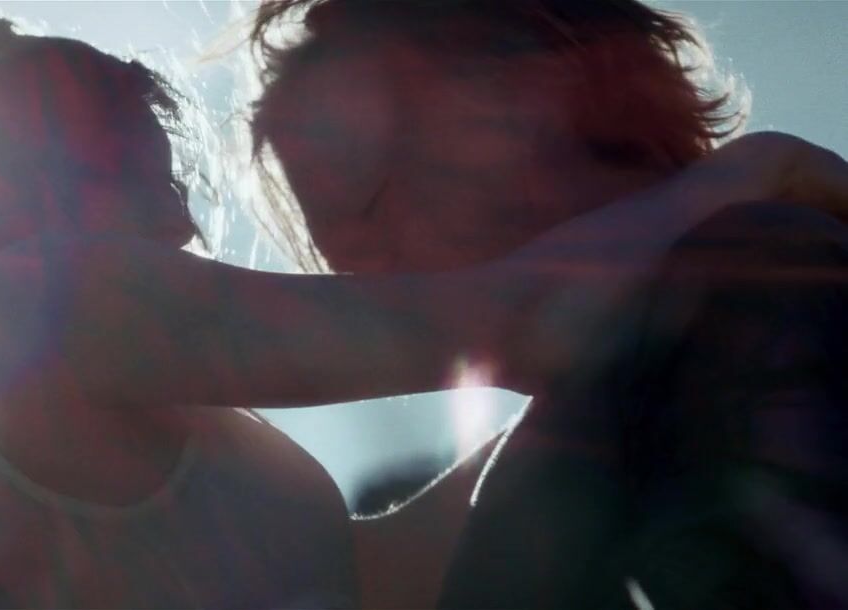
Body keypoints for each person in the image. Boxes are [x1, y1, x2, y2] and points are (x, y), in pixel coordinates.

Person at [0, 15, 848, 610]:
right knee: (759, 266)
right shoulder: (40, 295)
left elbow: (376, 577)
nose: (182, 219)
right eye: (146, 174)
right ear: (40, 172)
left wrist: (593, 401)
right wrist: (756, 171)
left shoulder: (109, 431)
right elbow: (512, 320)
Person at [247, 0, 848, 607]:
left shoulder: (768, 274)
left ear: (526, 106)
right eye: (336, 249)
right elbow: (354, 576)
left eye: (368, 196)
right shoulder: (585, 438)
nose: (359, 275)